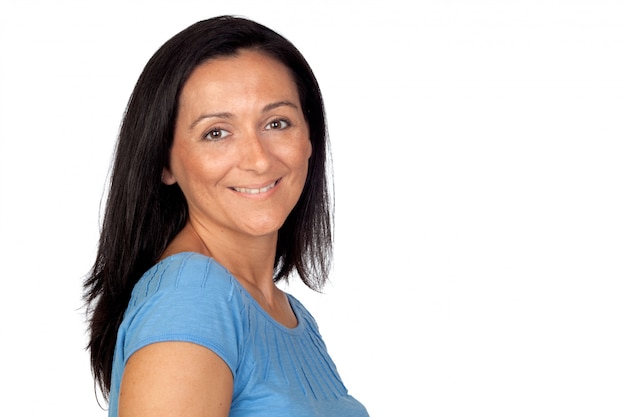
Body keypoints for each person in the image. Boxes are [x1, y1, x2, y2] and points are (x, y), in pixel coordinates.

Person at [83, 15, 369, 417]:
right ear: (165, 161)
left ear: (309, 138)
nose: (257, 158)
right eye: (216, 132)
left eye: (277, 123)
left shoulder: (289, 316)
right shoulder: (192, 295)